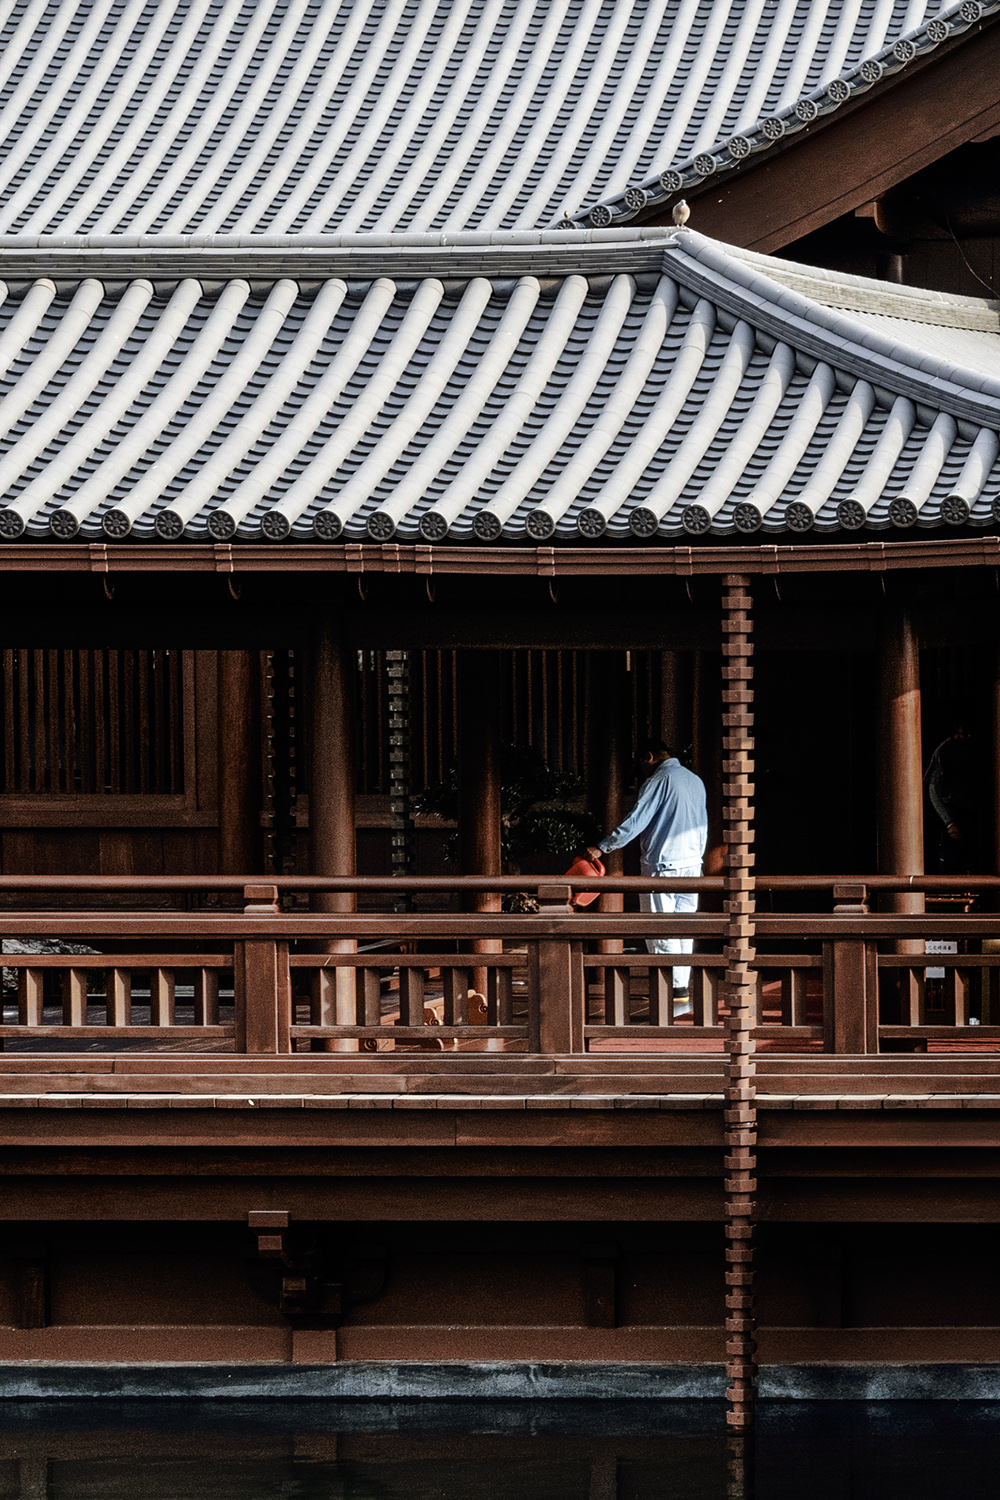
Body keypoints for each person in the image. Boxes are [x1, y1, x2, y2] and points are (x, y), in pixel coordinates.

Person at [587, 738, 708, 1005]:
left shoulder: (658, 781)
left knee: (661, 928)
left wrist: (602, 847)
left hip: (663, 865)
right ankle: (680, 987)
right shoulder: (694, 780)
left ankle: (670, 988)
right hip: (692, 865)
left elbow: (636, 821)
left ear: (648, 757)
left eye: (640, 765)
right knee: (683, 928)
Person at [925, 723, 979, 874]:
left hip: (971, 811)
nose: (966, 738)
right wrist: (948, 821)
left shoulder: (972, 749)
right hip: (953, 812)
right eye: (962, 734)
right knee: (952, 861)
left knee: (972, 859)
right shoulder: (944, 751)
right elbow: (933, 789)